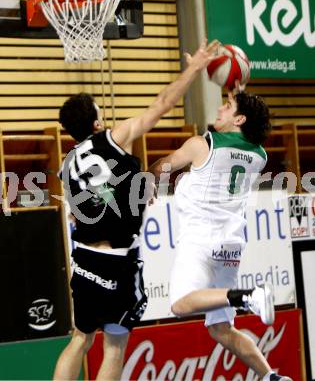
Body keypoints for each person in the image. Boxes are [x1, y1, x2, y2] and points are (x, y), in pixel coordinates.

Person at [53, 39, 221, 381]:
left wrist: (134, 190)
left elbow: (81, 210)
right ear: (97, 124)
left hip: (83, 258)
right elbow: (163, 103)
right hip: (116, 261)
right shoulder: (114, 137)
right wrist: (194, 67)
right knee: (115, 345)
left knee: (80, 339)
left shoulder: (67, 163)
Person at [149, 88, 292, 381]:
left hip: (201, 238)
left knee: (179, 303)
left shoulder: (202, 145)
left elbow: (162, 165)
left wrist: (152, 178)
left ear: (239, 118)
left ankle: (246, 296)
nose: (220, 108)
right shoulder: (260, 155)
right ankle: (271, 377)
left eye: (227, 106)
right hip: (231, 245)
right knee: (220, 329)